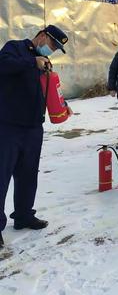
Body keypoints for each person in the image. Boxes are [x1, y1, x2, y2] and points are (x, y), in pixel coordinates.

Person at [0, 25, 70, 248]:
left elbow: (47, 88)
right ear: (42, 37)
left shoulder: (44, 62)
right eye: (52, 46)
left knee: (28, 174)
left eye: (56, 49)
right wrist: (32, 62)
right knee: (2, 176)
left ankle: (23, 215)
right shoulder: (15, 49)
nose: (52, 51)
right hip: (8, 126)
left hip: (33, 128)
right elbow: (2, 66)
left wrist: (62, 105)